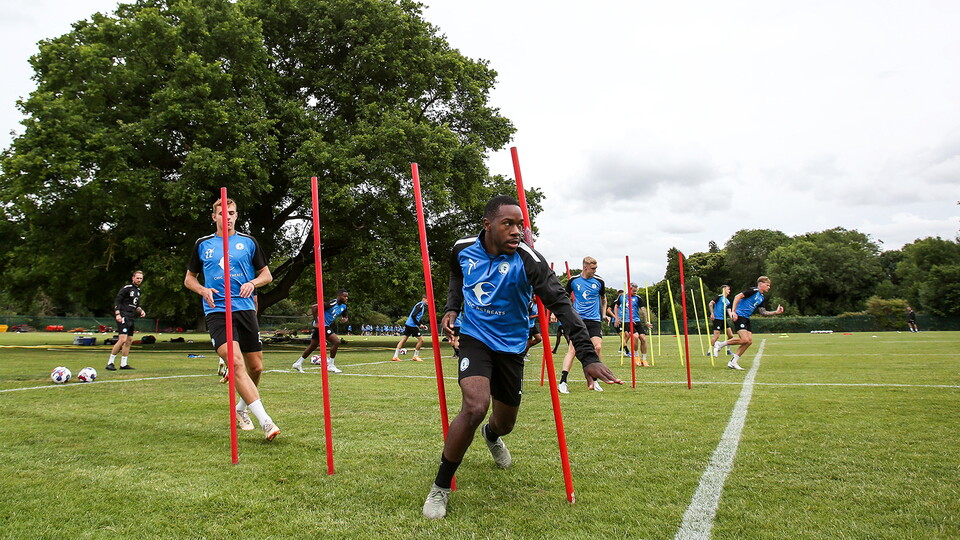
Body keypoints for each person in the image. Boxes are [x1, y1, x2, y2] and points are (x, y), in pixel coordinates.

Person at [422, 195, 622, 519]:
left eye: (520, 225)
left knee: (505, 423)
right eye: (508, 224)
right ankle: (440, 487)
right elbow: (456, 276)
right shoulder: (461, 248)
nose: (517, 231)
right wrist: (452, 307)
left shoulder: (530, 261)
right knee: (475, 405)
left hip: (513, 347)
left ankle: (492, 435)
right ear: (487, 225)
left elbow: (562, 306)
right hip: (474, 337)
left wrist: (588, 356)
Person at [184, 198, 279, 440]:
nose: (227, 217)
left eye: (232, 213)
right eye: (222, 213)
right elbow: (189, 279)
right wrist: (203, 290)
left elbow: (266, 275)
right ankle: (266, 421)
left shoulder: (248, 242)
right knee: (235, 363)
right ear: (213, 216)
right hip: (217, 311)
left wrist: (252, 283)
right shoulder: (202, 244)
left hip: (245, 309)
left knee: (256, 367)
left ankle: (241, 409)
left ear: (236, 216)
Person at [712, 276, 784, 370]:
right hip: (740, 316)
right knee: (744, 339)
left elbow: (763, 312)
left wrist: (775, 312)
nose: (769, 287)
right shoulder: (753, 291)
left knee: (749, 341)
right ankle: (720, 344)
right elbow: (738, 296)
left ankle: (733, 362)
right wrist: (733, 312)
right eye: (767, 285)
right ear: (761, 284)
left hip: (746, 318)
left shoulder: (761, 298)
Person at [558, 256, 606, 394]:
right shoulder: (573, 280)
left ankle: (594, 380)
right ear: (585, 267)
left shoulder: (599, 281)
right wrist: (559, 312)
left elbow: (604, 298)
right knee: (572, 350)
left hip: (594, 320)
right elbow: (563, 296)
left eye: (596, 268)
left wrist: (603, 314)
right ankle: (563, 382)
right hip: (578, 320)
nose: (595, 270)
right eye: (593, 268)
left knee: (597, 347)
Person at [293, 289, 349, 373]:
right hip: (322, 325)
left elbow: (345, 315)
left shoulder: (344, 306)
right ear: (339, 296)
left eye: (347, 296)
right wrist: (317, 322)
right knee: (336, 341)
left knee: (313, 346)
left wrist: (345, 319)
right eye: (344, 296)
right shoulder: (332, 303)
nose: (346, 298)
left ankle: (298, 363)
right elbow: (314, 307)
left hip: (325, 326)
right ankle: (331, 365)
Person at [106, 270, 146, 371]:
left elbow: (135, 305)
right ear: (133, 278)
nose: (139, 280)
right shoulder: (126, 288)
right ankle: (110, 362)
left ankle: (123, 364)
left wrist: (141, 311)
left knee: (129, 341)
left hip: (131, 317)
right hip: (123, 315)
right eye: (137, 278)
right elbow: (117, 301)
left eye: (141, 278)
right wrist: (117, 313)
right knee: (122, 339)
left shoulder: (138, 291)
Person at [611, 283, 653, 367]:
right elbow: (616, 306)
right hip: (627, 321)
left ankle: (644, 359)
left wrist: (646, 321)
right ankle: (636, 357)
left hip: (637, 321)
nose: (635, 292)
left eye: (636, 291)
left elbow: (643, 310)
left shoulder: (638, 298)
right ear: (629, 289)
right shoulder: (622, 297)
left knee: (643, 339)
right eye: (634, 291)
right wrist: (616, 317)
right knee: (635, 336)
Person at [393, 294, 428, 361]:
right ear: (423, 299)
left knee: (404, 339)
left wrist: (421, 324)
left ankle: (395, 356)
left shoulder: (421, 306)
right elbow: (413, 316)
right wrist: (418, 324)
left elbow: (417, 317)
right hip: (412, 325)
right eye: (427, 300)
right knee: (421, 340)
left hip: (408, 324)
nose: (428, 302)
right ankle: (415, 356)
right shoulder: (420, 305)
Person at [708, 285, 734, 356]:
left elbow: (729, 310)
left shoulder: (728, 301)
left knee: (730, 335)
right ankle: (710, 351)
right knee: (716, 336)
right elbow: (711, 303)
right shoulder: (719, 297)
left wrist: (732, 316)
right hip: (717, 319)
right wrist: (712, 313)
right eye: (728, 289)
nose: (729, 291)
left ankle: (728, 350)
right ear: (724, 289)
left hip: (724, 319)